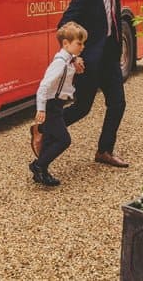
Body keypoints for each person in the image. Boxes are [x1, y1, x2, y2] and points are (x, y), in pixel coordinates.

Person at [37, 0, 130, 167]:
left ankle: (104, 151)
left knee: (118, 104)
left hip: (110, 57)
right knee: (82, 109)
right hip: (89, 61)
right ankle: (43, 130)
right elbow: (65, 24)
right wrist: (74, 57)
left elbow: (113, 19)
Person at [28, 21, 87, 187]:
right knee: (63, 140)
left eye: (83, 43)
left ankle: (42, 169)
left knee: (51, 138)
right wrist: (41, 109)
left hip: (58, 105)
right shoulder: (60, 63)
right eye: (79, 43)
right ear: (66, 43)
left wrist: (75, 61)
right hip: (51, 105)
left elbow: (72, 62)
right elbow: (43, 86)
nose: (82, 47)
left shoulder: (69, 59)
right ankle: (38, 166)